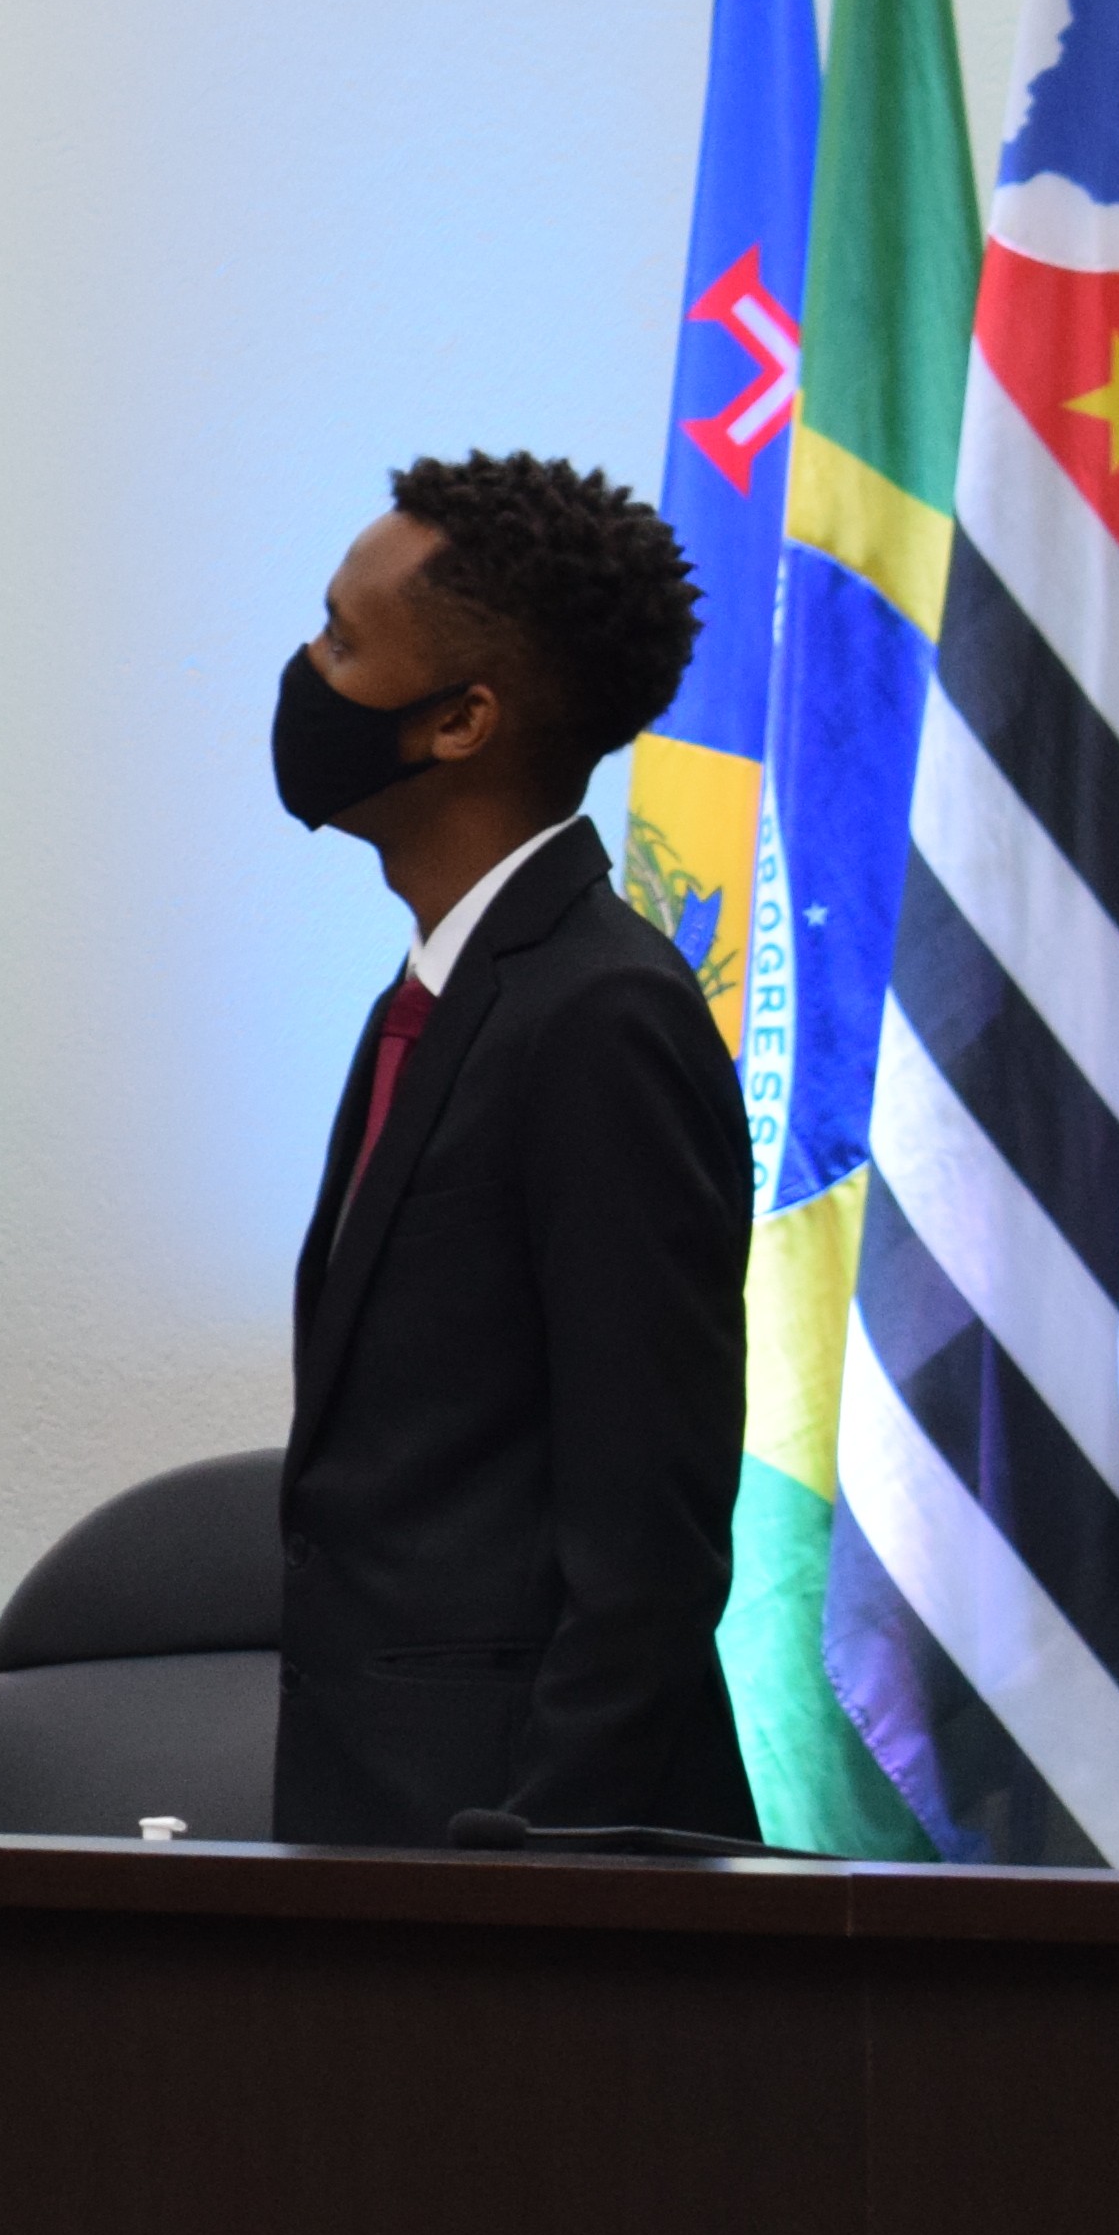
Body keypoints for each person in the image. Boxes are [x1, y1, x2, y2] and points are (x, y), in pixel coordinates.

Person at [271, 452, 755, 1849]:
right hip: (385, 1838)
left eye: (342, 641)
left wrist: (534, 1873)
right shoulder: (438, 995)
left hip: (521, 1868)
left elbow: (646, 1538)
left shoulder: (603, 1016)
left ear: (461, 720)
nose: (306, 673)